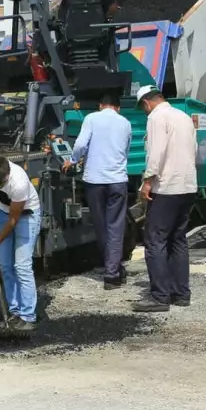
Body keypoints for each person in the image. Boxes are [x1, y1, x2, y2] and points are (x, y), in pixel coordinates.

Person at [134, 85, 198, 313]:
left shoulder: (156, 118)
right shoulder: (184, 117)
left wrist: (148, 180)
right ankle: (181, 293)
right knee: (178, 239)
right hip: (188, 185)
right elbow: (194, 150)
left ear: (146, 103)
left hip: (166, 188)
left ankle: (160, 296)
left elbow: (156, 152)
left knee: (155, 240)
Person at [65, 92, 132, 289]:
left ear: (100, 105)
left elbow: (80, 145)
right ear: (117, 107)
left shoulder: (91, 118)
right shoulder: (125, 123)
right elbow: (124, 151)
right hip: (117, 180)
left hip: (95, 181)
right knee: (115, 226)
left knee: (101, 226)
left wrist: (74, 160)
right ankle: (114, 270)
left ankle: (111, 270)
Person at [0, 153, 41, 331]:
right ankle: (15, 312)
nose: (3, 184)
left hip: (27, 215)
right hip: (4, 213)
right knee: (5, 265)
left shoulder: (19, 183)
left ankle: (28, 317)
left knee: (22, 265)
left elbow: (14, 221)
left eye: (4, 181)